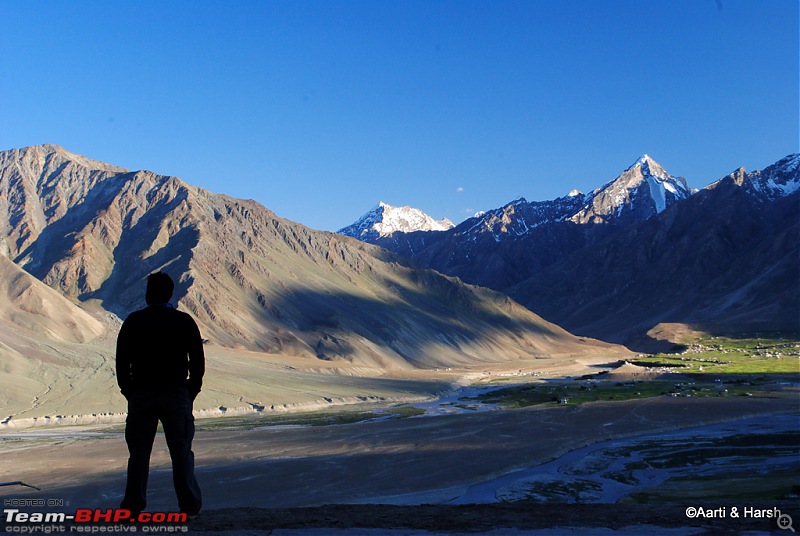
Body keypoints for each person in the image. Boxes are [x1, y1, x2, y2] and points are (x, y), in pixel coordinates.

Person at [116, 271, 204, 517]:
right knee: (181, 452)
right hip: (176, 395)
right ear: (170, 293)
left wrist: (130, 392)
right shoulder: (184, 322)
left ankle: (133, 506)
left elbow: (121, 362)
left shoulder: (133, 322)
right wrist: (190, 392)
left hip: (142, 396)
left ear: (147, 295)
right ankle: (189, 505)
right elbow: (198, 361)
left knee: (139, 455)